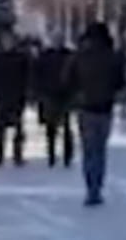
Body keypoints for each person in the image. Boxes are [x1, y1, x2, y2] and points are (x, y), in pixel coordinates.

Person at [68, 23, 125, 207]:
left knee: (88, 150)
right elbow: (120, 82)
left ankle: (90, 186)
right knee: (100, 150)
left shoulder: (80, 56)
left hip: (85, 107)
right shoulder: (112, 57)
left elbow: (67, 79)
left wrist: (77, 93)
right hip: (105, 108)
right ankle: (97, 187)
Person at [0, 34, 30, 167]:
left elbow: (27, 76)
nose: (8, 44)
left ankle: (18, 154)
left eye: (10, 42)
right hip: (0, 96)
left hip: (17, 96)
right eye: (5, 42)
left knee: (18, 127)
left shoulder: (21, 58)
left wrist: (26, 92)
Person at [35, 37, 74, 168]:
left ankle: (66, 154)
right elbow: (38, 73)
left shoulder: (67, 55)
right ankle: (52, 153)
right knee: (52, 126)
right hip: (51, 93)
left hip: (63, 94)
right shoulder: (47, 56)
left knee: (65, 126)